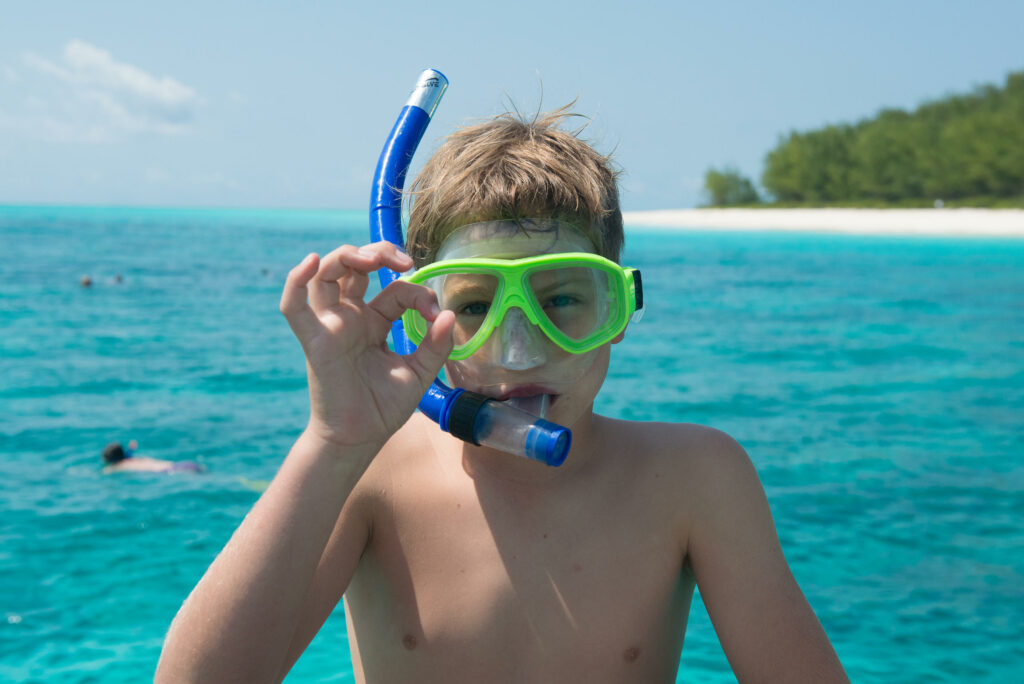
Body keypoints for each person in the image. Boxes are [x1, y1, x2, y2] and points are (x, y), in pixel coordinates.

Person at [157, 109, 848, 683]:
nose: (519, 351)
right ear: (418, 318)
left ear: (621, 307)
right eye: (477, 304)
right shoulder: (370, 474)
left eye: (564, 300)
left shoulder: (693, 478)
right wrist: (330, 444)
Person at [102, 440, 204, 474]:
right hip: (178, 464)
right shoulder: (132, 458)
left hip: (166, 471)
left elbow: (106, 471)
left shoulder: (119, 465)